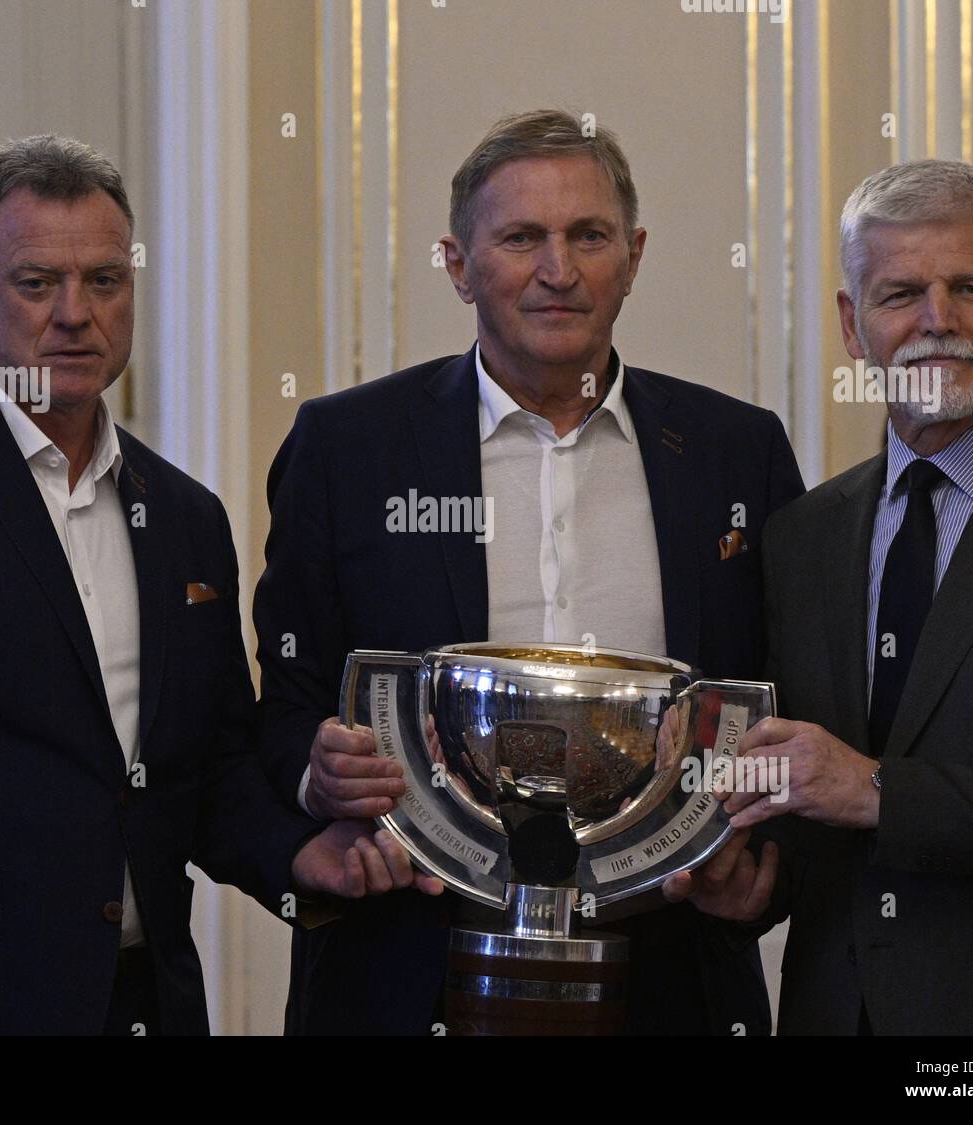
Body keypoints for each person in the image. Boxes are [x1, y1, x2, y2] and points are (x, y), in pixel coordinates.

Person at [0, 134, 438, 1037]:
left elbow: (204, 772)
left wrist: (304, 854)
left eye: (104, 281)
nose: (74, 314)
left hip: (147, 1003)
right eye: (35, 282)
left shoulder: (184, 516)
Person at [254, 109, 806, 1035]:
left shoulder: (734, 453)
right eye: (521, 238)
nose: (559, 269)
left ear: (632, 257)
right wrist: (319, 780)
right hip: (404, 971)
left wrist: (767, 868)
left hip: (671, 975)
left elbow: (790, 702)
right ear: (459, 265)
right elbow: (277, 713)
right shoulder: (346, 448)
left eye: (588, 236)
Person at [665, 159, 973, 1035]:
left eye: (970, 287)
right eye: (901, 294)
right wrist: (750, 880)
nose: (938, 321)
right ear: (853, 326)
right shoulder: (804, 534)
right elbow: (813, 811)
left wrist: (880, 789)